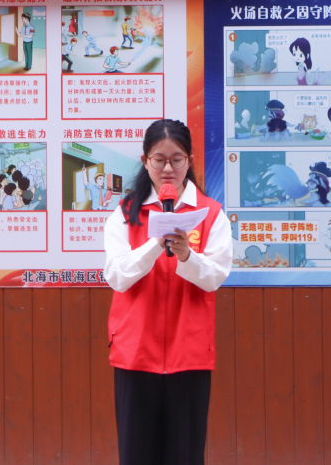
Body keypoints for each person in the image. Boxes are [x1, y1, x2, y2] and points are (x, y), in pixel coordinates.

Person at [104, 119, 232, 465]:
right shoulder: (125, 214)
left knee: (184, 455)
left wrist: (187, 256)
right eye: (159, 160)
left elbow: (215, 277)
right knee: (137, 454)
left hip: (189, 353)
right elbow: (117, 276)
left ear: (190, 160)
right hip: (135, 352)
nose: (167, 169)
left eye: (176, 160)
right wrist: (154, 244)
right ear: (145, 161)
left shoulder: (210, 214)